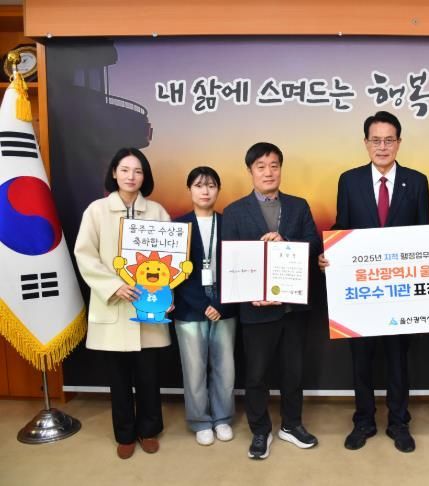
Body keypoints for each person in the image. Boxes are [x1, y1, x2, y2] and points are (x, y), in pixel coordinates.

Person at [319, 110, 429, 453]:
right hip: (361, 290)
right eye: (376, 140)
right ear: (366, 143)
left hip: (400, 290)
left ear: (399, 142)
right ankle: (364, 421)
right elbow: (342, 227)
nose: (382, 146)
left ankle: (399, 422)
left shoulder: (417, 181)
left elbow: (424, 235)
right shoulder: (349, 181)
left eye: (389, 140)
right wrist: (329, 255)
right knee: (361, 359)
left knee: (398, 359)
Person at [75, 148, 178, 459]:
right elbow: (85, 255)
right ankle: (125, 434)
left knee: (149, 377)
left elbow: (172, 259)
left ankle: (149, 430)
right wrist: (114, 286)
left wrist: (167, 295)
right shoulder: (96, 211)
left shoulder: (157, 212)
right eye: (125, 169)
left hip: (149, 308)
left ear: (145, 177)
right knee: (118, 380)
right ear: (114, 173)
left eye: (138, 171)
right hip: (114, 306)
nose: (131, 176)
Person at [222, 142, 322, 460]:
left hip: (292, 308)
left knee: (293, 371)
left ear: (281, 169)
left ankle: (291, 425)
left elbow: (314, 244)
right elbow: (230, 260)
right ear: (250, 171)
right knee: (256, 375)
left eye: (274, 165)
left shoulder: (298, 206)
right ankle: (260, 430)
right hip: (255, 309)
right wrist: (252, 294)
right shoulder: (235, 211)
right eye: (261, 166)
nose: (268, 172)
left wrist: (286, 242)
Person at [172, 166, 238, 446]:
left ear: (218, 190)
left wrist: (219, 302)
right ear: (190, 189)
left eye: (211, 185)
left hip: (225, 305)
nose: (205, 191)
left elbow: (238, 266)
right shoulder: (178, 226)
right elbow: (175, 273)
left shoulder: (229, 223)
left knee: (225, 366)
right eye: (199, 185)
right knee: (194, 369)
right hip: (189, 308)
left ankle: (222, 418)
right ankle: (200, 420)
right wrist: (202, 304)